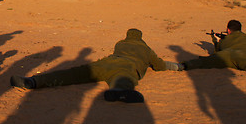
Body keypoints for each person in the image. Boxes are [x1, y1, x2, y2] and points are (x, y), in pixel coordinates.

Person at [10, 28, 177, 103]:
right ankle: (119, 92)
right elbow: (160, 65)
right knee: (123, 78)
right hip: (127, 65)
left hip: (106, 62)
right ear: (140, 38)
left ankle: (33, 81)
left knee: (73, 74)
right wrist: (179, 66)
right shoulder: (146, 49)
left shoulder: (120, 43)